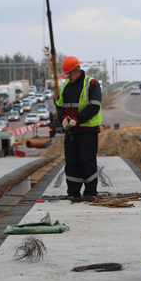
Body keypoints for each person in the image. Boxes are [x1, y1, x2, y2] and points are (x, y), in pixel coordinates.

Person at [55, 56, 102, 199]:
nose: (68, 78)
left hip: (87, 131)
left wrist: (77, 120)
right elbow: (60, 106)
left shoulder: (91, 84)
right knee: (72, 162)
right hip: (72, 132)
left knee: (87, 161)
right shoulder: (67, 87)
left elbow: (94, 106)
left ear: (77, 71)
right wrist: (63, 119)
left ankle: (90, 192)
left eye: (69, 74)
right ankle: (73, 193)